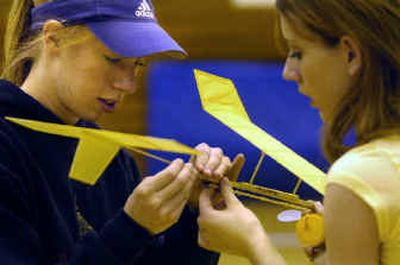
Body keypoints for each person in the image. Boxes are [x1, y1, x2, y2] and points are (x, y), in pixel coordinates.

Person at [0, 0, 244, 264]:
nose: (128, 84)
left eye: (139, 64)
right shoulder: (8, 147)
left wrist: (193, 217)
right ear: (54, 37)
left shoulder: (109, 155)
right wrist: (130, 230)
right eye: (114, 59)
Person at [196, 1, 400, 264]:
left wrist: (253, 243)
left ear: (350, 54)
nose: (288, 73)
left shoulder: (358, 178)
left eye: (297, 52)